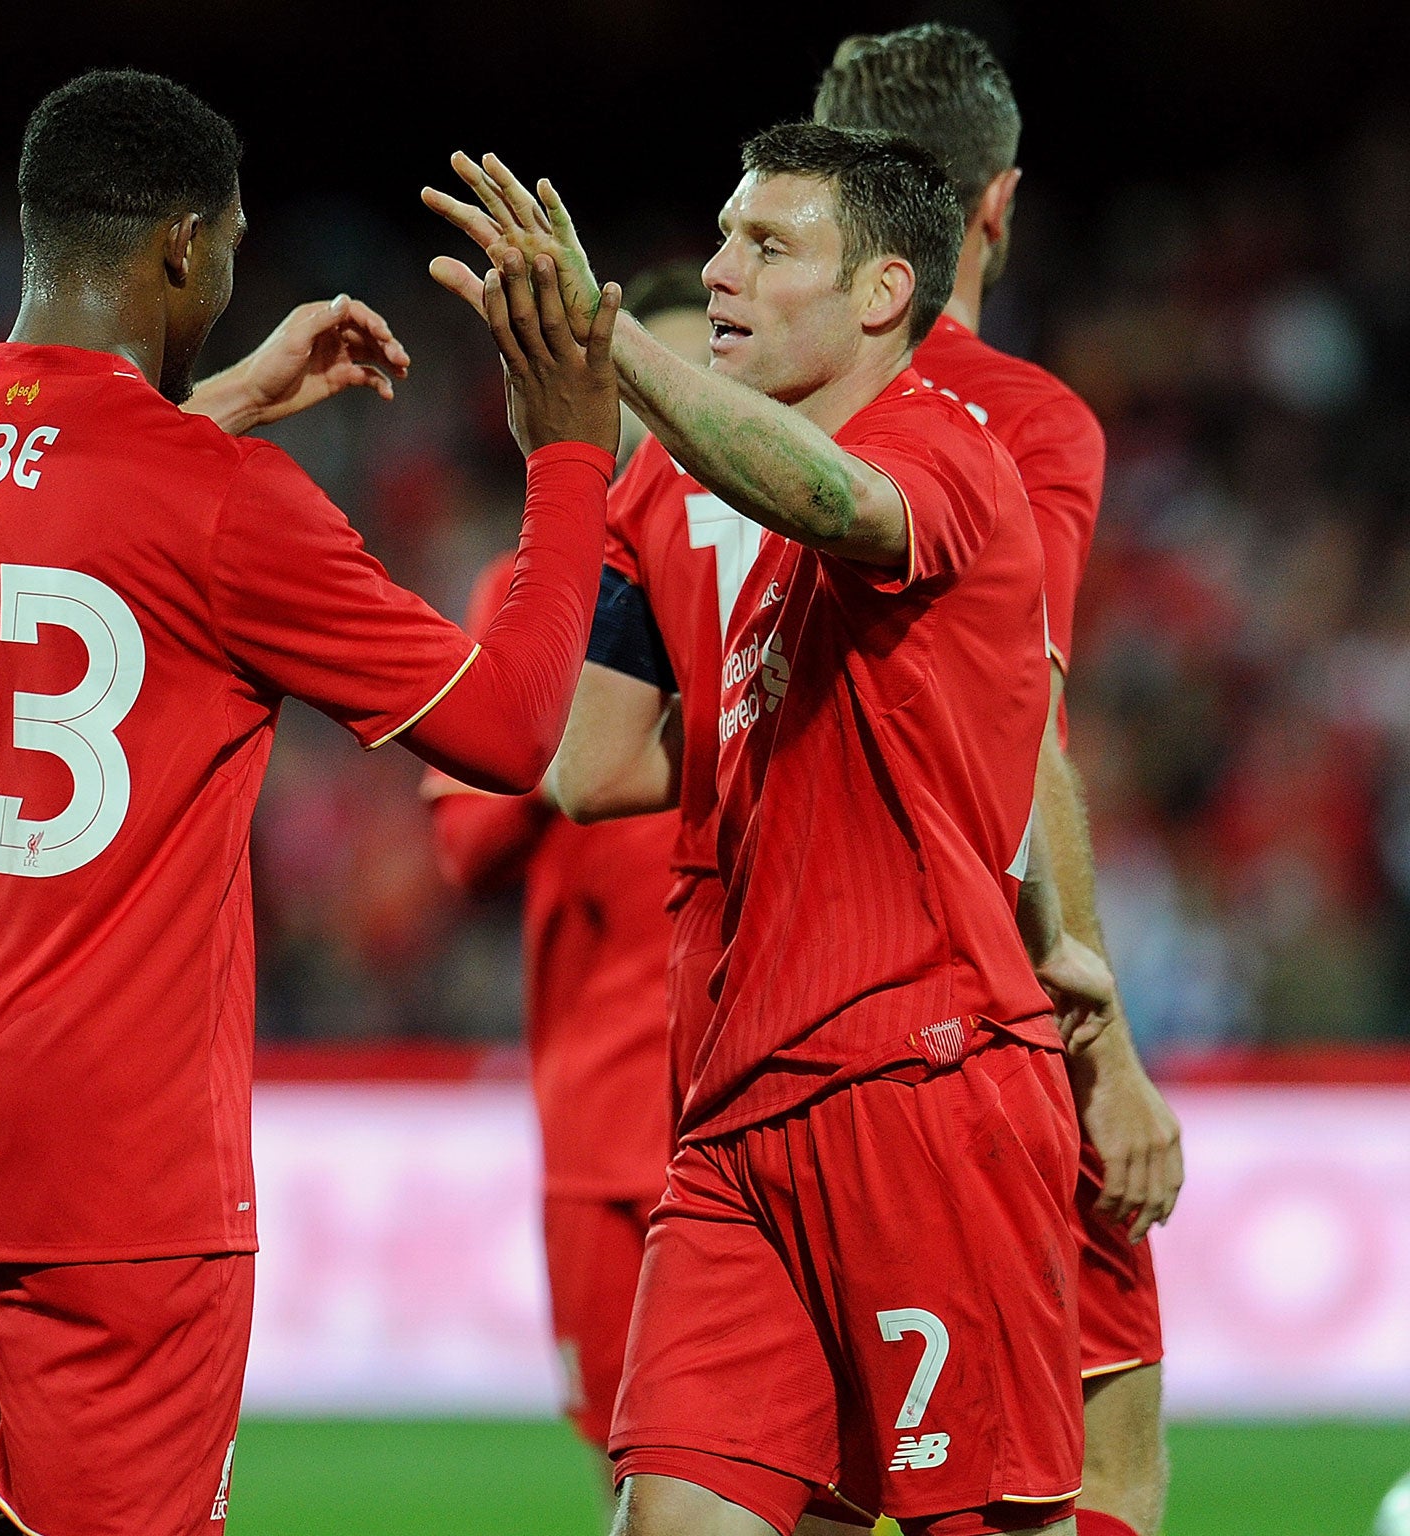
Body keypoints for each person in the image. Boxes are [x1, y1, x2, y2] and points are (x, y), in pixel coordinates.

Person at [0, 68, 623, 1536]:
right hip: (117, 1177)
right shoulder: (222, 498)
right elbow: (517, 727)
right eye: (225, 245)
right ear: (181, 247)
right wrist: (571, 457)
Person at [427, 124, 1116, 1536]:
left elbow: (831, 492)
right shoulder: (744, 553)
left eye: (767, 246)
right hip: (735, 1110)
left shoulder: (944, 452)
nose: (718, 268)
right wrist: (575, 460)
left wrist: (610, 347)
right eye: (722, 236)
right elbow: (588, 765)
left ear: (881, 294)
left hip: (915, 1085)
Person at [816, 28, 1181, 1536]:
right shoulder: (1017, 421)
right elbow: (1017, 730)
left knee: (790, 1479)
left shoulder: (734, 421)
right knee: (1097, 1460)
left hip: (759, 1033)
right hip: (968, 1022)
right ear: (998, 205)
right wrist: (1101, 1046)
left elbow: (600, 763)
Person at [422, 270, 710, 1458]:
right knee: (630, 1467)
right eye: (661, 379)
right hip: (598, 1117)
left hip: (749, 1092)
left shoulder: (783, 569)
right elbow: (464, 845)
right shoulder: (526, 595)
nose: (692, 408)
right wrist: (585, 713)